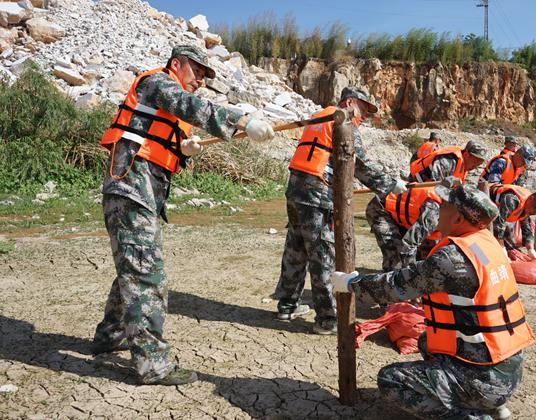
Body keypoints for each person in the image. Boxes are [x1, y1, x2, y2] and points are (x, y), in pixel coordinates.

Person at [92, 45, 275, 385]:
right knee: (147, 276)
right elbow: (191, 106)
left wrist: (184, 148)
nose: (201, 80)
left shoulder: (168, 104)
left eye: (207, 76)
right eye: (198, 71)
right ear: (177, 64)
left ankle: (110, 335)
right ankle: (153, 364)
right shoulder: (159, 82)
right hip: (130, 188)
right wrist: (243, 120)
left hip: (139, 193)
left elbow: (166, 135)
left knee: (133, 267)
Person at [331, 184, 536, 419]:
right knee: (428, 341)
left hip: (485, 378)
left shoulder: (452, 258)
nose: (438, 209)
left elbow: (395, 286)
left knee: (391, 379)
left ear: (458, 218)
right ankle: (492, 403)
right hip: (508, 369)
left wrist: (350, 283)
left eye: (445, 206)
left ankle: (473, 414)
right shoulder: (486, 243)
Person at [274, 87, 405, 335]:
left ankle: (287, 305)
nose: (365, 115)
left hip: (296, 190)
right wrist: (391, 184)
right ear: (350, 101)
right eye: (364, 108)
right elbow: (361, 164)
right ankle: (327, 318)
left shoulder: (320, 116)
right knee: (323, 254)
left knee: (296, 247)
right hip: (316, 194)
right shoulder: (342, 121)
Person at [365, 184, 444, 271]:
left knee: (427, 258)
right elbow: (409, 244)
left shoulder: (452, 214)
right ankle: (391, 279)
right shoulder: (433, 214)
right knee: (396, 257)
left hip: (407, 216)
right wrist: (410, 275)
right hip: (381, 208)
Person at [490, 184, 536, 258]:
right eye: (535, 209)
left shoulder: (528, 207)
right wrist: (501, 247)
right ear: (532, 199)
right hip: (487, 202)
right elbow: (499, 224)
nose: (534, 212)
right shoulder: (512, 200)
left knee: (511, 245)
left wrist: (531, 250)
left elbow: (527, 229)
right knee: (501, 236)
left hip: (497, 212)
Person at [409, 140, 487, 183]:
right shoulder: (449, 162)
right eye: (475, 162)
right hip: (415, 184)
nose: (475, 167)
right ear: (466, 154)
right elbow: (434, 186)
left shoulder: (464, 165)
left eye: (478, 165)